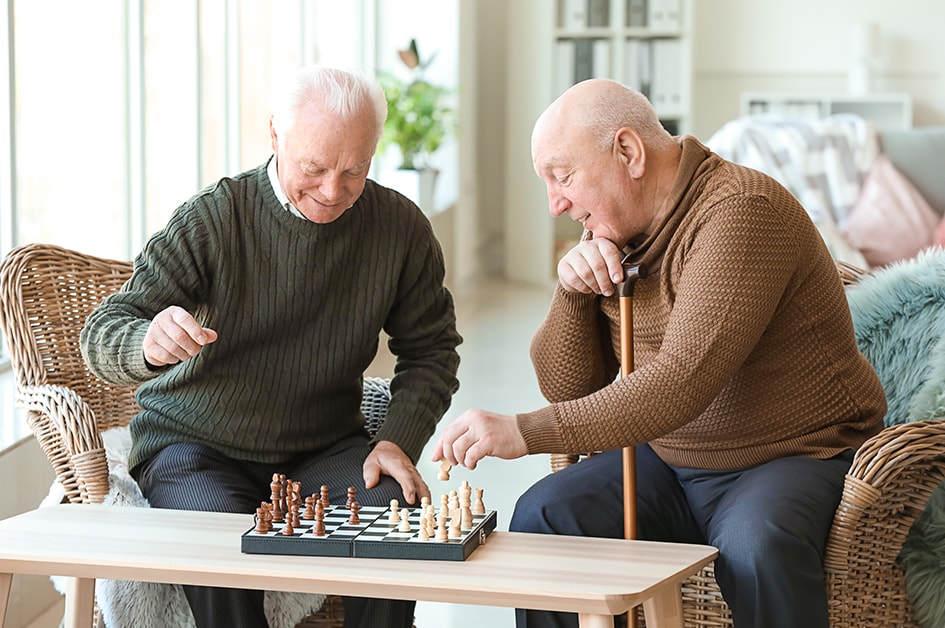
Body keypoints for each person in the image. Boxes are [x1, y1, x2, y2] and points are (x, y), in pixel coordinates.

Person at [432, 78, 886, 628]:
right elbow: (571, 389)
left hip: (790, 457)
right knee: (543, 516)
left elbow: (681, 383)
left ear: (628, 151)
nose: (555, 204)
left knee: (757, 545)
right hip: (674, 460)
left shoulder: (742, 211)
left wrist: (524, 431)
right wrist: (572, 293)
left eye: (562, 176)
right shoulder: (620, 231)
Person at [80, 65, 462, 628]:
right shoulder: (215, 219)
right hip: (195, 448)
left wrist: (397, 440)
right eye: (314, 167)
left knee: (394, 511)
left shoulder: (400, 229)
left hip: (321, 449)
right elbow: (104, 330)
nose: (334, 191)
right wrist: (147, 341)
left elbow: (432, 350)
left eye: (355, 169)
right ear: (275, 136)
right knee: (223, 550)